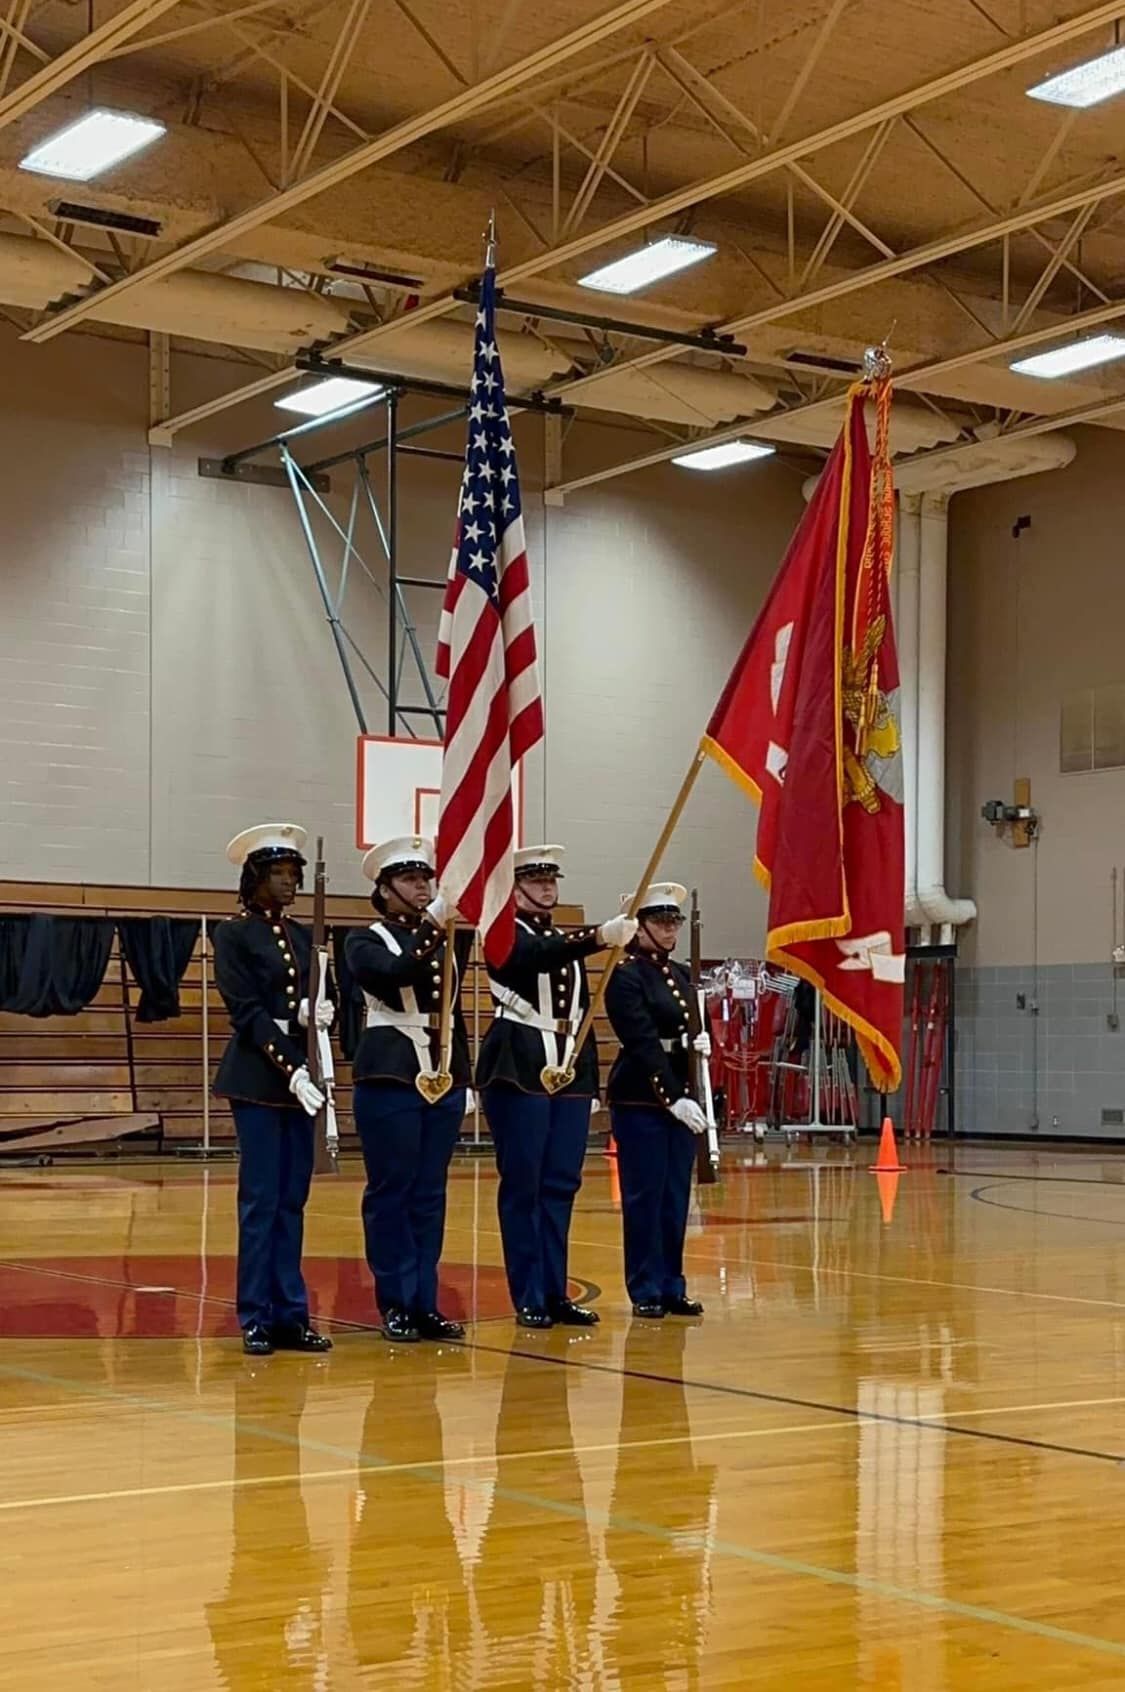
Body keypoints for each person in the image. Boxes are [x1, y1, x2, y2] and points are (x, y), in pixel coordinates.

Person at [476, 845, 636, 1329]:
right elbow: (532, 958)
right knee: (524, 1183)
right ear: (515, 887)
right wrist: (598, 937)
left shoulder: (562, 940)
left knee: (561, 1183)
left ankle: (554, 1288)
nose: (548, 887)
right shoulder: (502, 934)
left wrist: (584, 1077)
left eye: (552, 879)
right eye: (537, 879)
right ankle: (527, 1292)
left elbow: (578, 1007)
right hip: (519, 1060)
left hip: (565, 1064)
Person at [212, 823, 334, 1357]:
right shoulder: (234, 934)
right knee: (261, 1202)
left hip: (299, 1081)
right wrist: (292, 1066)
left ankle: (291, 1313)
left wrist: (315, 1015)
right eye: (279, 873)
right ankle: (255, 1315)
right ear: (254, 878)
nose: (289, 883)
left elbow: (304, 998)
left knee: (293, 1201)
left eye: (294, 874)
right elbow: (248, 1014)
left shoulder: (304, 936)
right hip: (261, 1078)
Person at [345, 836, 469, 1344]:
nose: (422, 886)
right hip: (391, 1072)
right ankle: (395, 1300)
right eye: (410, 879)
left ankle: (424, 1300)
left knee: (430, 1193)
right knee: (391, 1191)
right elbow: (395, 973)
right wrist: (435, 926)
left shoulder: (445, 935)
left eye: (426, 878)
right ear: (384, 889)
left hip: (441, 1070)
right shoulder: (363, 939)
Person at [604, 882, 711, 1320]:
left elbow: (684, 1029)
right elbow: (643, 1042)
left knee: (673, 1198)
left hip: (680, 1095)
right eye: (661, 923)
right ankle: (645, 1286)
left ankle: (672, 1284)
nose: (670, 931)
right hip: (642, 1099)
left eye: (674, 922)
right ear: (640, 928)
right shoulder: (625, 976)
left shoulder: (682, 974)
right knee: (644, 1198)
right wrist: (671, 1098)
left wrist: (700, 1044)